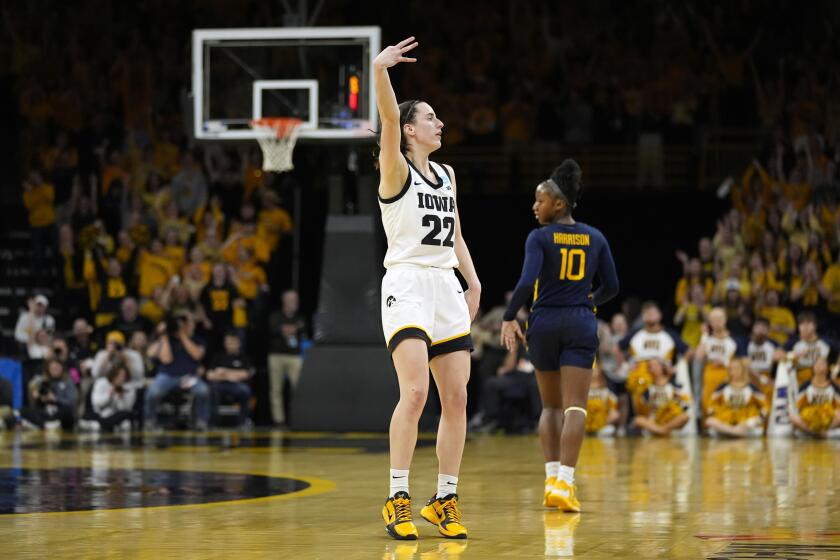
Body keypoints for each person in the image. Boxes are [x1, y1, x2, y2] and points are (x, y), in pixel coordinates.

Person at [374, 37, 481, 541]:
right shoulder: (394, 166)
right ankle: (397, 497)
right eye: (431, 118)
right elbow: (388, 121)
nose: (440, 124)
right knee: (415, 393)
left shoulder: (447, 174)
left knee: (456, 398)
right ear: (411, 128)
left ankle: (445, 499)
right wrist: (380, 69)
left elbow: (456, 232)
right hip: (407, 282)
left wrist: (473, 281)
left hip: (444, 285)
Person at [501, 158, 619, 513]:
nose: (534, 206)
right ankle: (566, 484)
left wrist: (509, 317)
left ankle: (551, 479)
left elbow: (525, 283)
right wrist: (589, 301)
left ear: (559, 204)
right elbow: (611, 287)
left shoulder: (538, 237)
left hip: (544, 323)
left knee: (551, 407)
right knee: (575, 407)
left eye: (540, 200)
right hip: (581, 322)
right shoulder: (595, 237)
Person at [144, 313, 210, 431]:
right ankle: (150, 421)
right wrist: (164, 336)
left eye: (187, 323)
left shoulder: (198, 340)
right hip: (167, 376)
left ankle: (201, 421)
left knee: (203, 391)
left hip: (188, 377)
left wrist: (182, 335)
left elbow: (197, 355)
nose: (184, 326)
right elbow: (166, 359)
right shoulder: (166, 340)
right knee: (153, 392)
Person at [267, 290, 308, 426]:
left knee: (299, 387)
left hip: (294, 356)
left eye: (296, 300)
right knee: (276, 389)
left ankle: (299, 417)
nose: (295, 302)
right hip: (276, 355)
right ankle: (278, 420)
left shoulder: (300, 317)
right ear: (284, 301)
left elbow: (302, 329)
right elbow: (275, 329)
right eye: (292, 300)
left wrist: (286, 329)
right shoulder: (275, 316)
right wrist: (291, 329)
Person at [704, 359, 767, 437]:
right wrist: (714, 415)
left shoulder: (752, 388)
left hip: (745, 423)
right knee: (709, 421)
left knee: (752, 423)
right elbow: (711, 405)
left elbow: (765, 407)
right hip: (725, 422)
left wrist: (757, 420)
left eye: (737, 368)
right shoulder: (722, 387)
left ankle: (730, 432)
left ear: (743, 370)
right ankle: (734, 432)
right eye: (731, 369)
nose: (734, 371)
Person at [631, 359, 691, 437]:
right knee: (638, 420)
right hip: (653, 420)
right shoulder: (647, 387)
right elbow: (641, 409)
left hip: (669, 420)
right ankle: (662, 430)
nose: (652, 368)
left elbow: (685, 405)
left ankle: (662, 430)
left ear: (662, 367)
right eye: (650, 367)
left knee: (685, 417)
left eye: (655, 365)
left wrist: (674, 404)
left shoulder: (673, 386)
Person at [694, 307, 738, 413]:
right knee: (707, 408)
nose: (717, 322)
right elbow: (698, 356)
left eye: (719, 319)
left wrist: (725, 362)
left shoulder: (735, 340)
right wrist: (704, 335)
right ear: (710, 322)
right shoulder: (707, 340)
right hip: (710, 379)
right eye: (713, 320)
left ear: (725, 319)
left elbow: (743, 362)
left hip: (729, 378)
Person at [206, 331, 253, 428]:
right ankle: (213, 422)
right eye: (228, 342)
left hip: (237, 386)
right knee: (211, 390)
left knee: (245, 390)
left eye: (233, 342)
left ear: (238, 343)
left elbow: (246, 374)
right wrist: (230, 376)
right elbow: (210, 375)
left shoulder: (243, 357)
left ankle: (242, 422)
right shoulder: (218, 356)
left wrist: (223, 371)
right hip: (220, 385)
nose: (230, 344)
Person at [20, 358, 77, 430]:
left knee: (66, 411)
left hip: (60, 410)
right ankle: (45, 424)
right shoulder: (43, 380)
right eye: (53, 368)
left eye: (57, 368)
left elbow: (71, 402)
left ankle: (43, 424)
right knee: (24, 410)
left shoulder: (68, 381)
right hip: (45, 411)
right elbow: (35, 404)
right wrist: (36, 397)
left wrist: (55, 399)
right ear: (48, 369)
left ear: (62, 368)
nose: (55, 370)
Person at [790, 357, 840, 438]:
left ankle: (822, 432)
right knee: (793, 417)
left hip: (828, 418)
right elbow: (797, 405)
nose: (819, 366)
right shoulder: (806, 385)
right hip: (810, 417)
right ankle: (816, 433)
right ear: (813, 368)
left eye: (822, 364)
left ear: (827, 368)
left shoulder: (833, 386)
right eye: (817, 364)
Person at [83, 362, 136, 432]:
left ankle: (105, 424)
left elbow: (126, 408)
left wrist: (120, 398)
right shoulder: (101, 382)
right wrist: (109, 396)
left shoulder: (128, 387)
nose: (122, 379)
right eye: (119, 376)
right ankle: (104, 423)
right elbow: (96, 403)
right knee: (96, 425)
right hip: (99, 413)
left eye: (124, 376)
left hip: (116, 414)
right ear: (113, 375)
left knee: (126, 423)